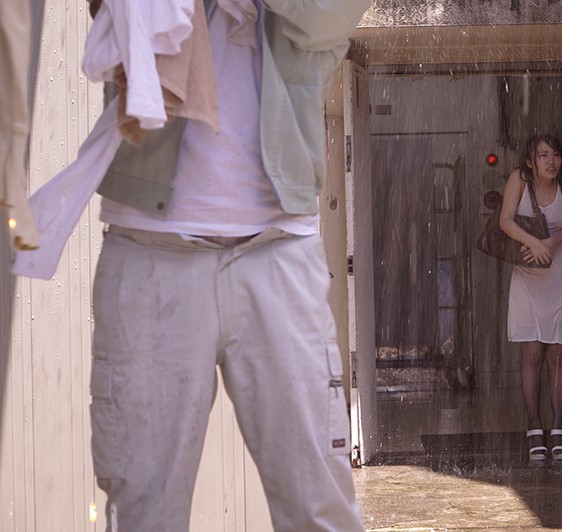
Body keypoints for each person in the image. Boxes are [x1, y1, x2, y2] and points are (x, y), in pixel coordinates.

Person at [64, 0, 370, 530]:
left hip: (278, 249)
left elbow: (329, 14)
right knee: (143, 511)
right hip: (149, 251)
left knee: (319, 507)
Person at [498, 134, 562, 464]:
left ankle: (558, 427)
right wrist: (532, 242)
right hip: (527, 277)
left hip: (561, 277)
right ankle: (534, 426)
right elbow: (505, 220)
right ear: (530, 161)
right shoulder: (519, 179)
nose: (551, 161)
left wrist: (548, 243)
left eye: (556, 154)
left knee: (558, 354)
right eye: (544, 155)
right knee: (532, 351)